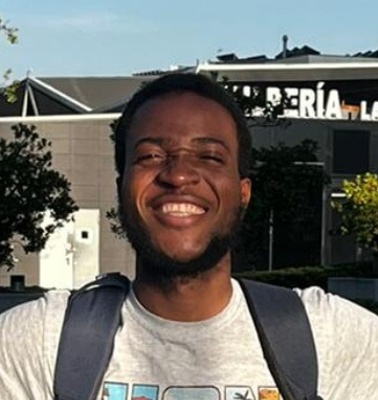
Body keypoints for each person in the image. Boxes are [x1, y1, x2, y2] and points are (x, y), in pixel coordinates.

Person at [0, 73, 377, 400]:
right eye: (150, 156)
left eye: (210, 157)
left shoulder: (336, 339)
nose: (178, 175)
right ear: (121, 187)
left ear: (243, 192)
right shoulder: (34, 344)